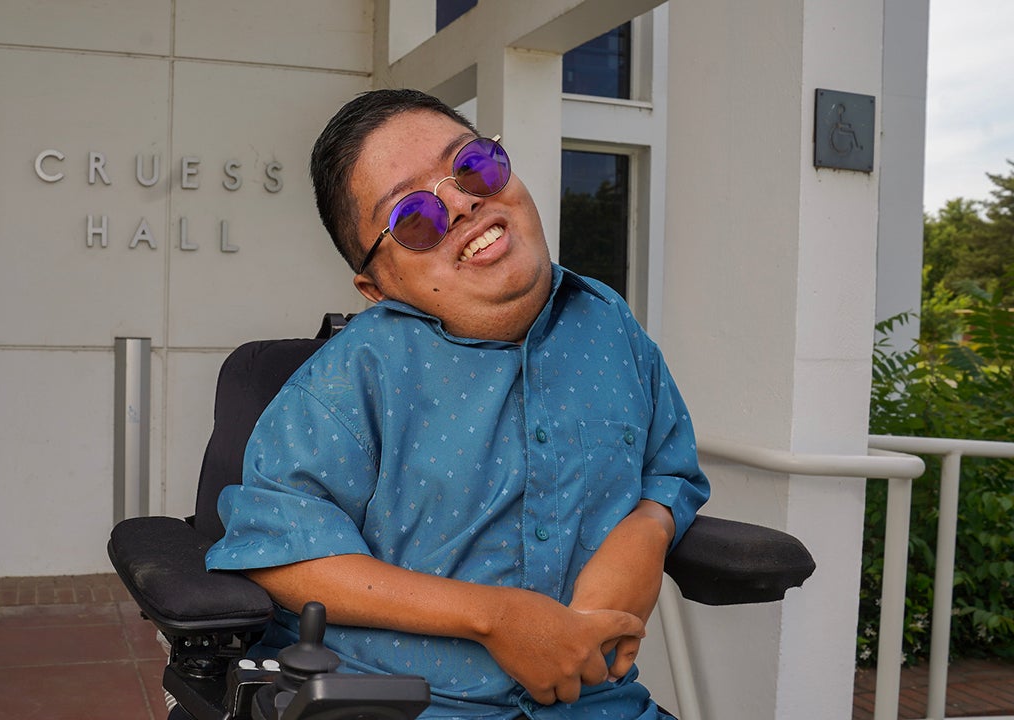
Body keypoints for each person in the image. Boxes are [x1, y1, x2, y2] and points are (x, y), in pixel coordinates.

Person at [206, 88, 710, 720]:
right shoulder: (353, 375)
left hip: (597, 705)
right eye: (414, 216)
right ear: (378, 285)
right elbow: (278, 548)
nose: (465, 203)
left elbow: (670, 466)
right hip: (400, 705)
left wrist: (648, 530)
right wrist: (497, 619)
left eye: (473, 166)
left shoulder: (610, 327)